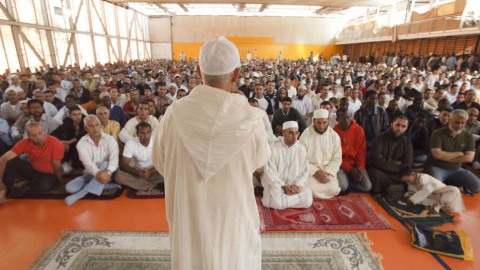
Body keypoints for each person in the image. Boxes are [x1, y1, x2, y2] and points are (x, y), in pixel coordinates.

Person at [152, 36, 270, 270]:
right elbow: (259, 162)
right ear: (236, 74)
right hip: (232, 213)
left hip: (190, 214)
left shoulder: (174, 114)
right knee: (234, 255)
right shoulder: (250, 118)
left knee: (193, 256)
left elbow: (160, 162)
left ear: (198, 71)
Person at [64, 115, 121, 206]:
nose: (95, 128)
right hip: (90, 174)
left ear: (100, 125)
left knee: (105, 163)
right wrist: (98, 174)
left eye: (97, 125)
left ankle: (81, 194)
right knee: (70, 188)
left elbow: (114, 160)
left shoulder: (110, 139)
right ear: (85, 128)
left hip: (110, 173)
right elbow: (87, 163)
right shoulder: (81, 143)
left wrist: (107, 171)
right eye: (91, 126)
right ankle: (104, 186)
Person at [0, 123, 63, 203]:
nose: (38, 138)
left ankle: (24, 185)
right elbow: (3, 159)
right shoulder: (25, 142)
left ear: (44, 131)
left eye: (40, 133)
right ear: (28, 136)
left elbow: (57, 165)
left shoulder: (56, 143)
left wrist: (60, 180)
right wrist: (0, 182)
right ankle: (6, 190)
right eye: (33, 135)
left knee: (45, 186)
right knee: (10, 161)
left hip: (48, 173)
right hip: (32, 170)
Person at [424, 109, 480, 194]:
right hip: (436, 167)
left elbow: (469, 158)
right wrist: (459, 153)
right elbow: (437, 155)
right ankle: (450, 186)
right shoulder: (438, 133)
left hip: (456, 168)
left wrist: (446, 157)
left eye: (463, 123)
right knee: (435, 190)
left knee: (477, 186)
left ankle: (449, 185)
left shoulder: (469, 137)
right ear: (450, 120)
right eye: (456, 122)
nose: (459, 126)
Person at [261, 121, 312, 210]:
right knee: (277, 202)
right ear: (283, 133)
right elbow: (270, 172)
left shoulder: (301, 149)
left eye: (297, 133)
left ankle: (285, 202)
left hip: (294, 184)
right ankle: (291, 201)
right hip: (277, 184)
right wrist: (284, 186)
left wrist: (296, 185)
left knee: (308, 200)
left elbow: (305, 171)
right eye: (291, 133)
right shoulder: (273, 148)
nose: (294, 137)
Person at [299, 109, 342, 199]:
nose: (321, 126)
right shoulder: (306, 135)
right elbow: (301, 158)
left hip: (327, 172)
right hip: (310, 172)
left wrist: (325, 172)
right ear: (313, 121)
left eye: (324, 122)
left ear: (328, 121)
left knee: (334, 189)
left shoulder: (334, 136)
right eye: (318, 123)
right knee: (308, 188)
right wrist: (315, 172)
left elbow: (337, 158)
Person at [367, 115, 413, 195]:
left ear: (406, 128)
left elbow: (407, 164)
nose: (400, 128)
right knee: (376, 175)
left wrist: (387, 163)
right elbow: (377, 161)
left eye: (403, 126)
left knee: (410, 176)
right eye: (398, 125)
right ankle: (381, 193)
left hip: (396, 173)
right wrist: (397, 164)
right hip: (380, 171)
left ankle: (391, 190)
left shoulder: (407, 143)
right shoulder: (379, 138)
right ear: (392, 124)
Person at [115, 122, 164, 191]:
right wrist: (138, 173)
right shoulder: (130, 143)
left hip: (155, 173)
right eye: (142, 133)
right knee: (118, 176)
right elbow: (123, 164)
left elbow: (162, 162)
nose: (146, 136)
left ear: (151, 132)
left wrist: (149, 172)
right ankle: (153, 187)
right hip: (137, 174)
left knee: (169, 171)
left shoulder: (157, 141)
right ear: (137, 133)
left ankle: (140, 185)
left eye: (148, 132)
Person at [333, 108, 372, 192]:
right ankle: (347, 180)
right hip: (341, 165)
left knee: (367, 187)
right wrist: (349, 169)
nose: (347, 120)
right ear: (337, 119)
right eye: (343, 118)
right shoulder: (333, 133)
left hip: (355, 164)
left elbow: (361, 151)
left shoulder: (359, 130)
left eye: (348, 117)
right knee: (343, 186)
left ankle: (349, 180)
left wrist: (359, 168)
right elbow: (335, 156)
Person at [399, 165, 465, 213]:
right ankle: (436, 204)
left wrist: (412, 199)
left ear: (413, 175)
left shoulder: (423, 177)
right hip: (431, 198)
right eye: (405, 182)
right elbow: (411, 193)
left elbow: (428, 190)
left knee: (455, 190)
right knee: (421, 200)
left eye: (408, 180)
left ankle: (440, 204)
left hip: (441, 192)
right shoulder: (411, 184)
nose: (407, 183)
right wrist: (407, 196)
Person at [51, 106, 86, 171]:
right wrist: (62, 142)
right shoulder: (67, 121)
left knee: (77, 144)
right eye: (74, 115)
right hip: (71, 142)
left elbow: (83, 133)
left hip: (84, 141)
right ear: (70, 116)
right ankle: (66, 163)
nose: (78, 117)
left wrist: (69, 142)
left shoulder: (85, 120)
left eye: (79, 114)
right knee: (61, 146)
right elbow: (56, 133)